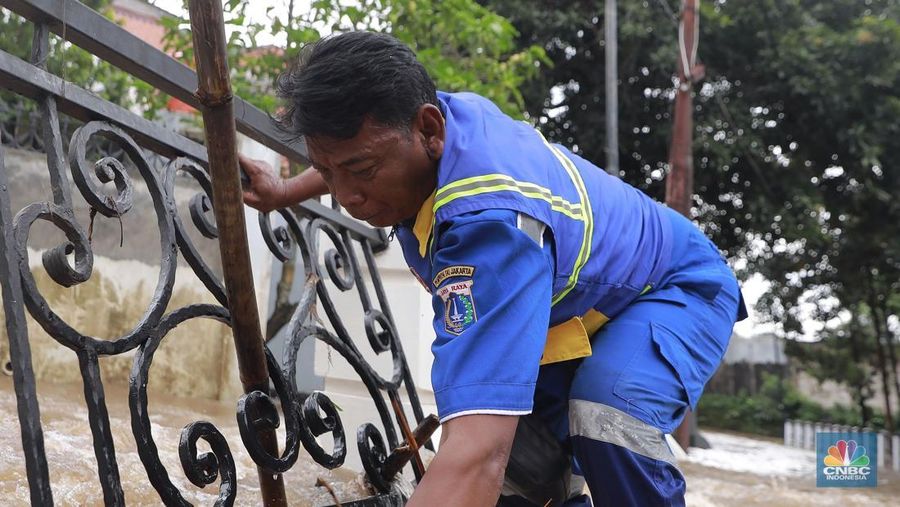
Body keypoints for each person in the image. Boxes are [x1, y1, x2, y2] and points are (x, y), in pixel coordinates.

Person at [241, 31, 747, 507]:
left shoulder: (490, 229)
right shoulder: (430, 118)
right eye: (329, 173)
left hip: (675, 288)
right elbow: (349, 155)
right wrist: (286, 191)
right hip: (574, 310)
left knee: (606, 413)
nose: (348, 198)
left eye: (362, 173)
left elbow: (478, 454)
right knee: (526, 478)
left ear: (429, 131)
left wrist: (476, 465)